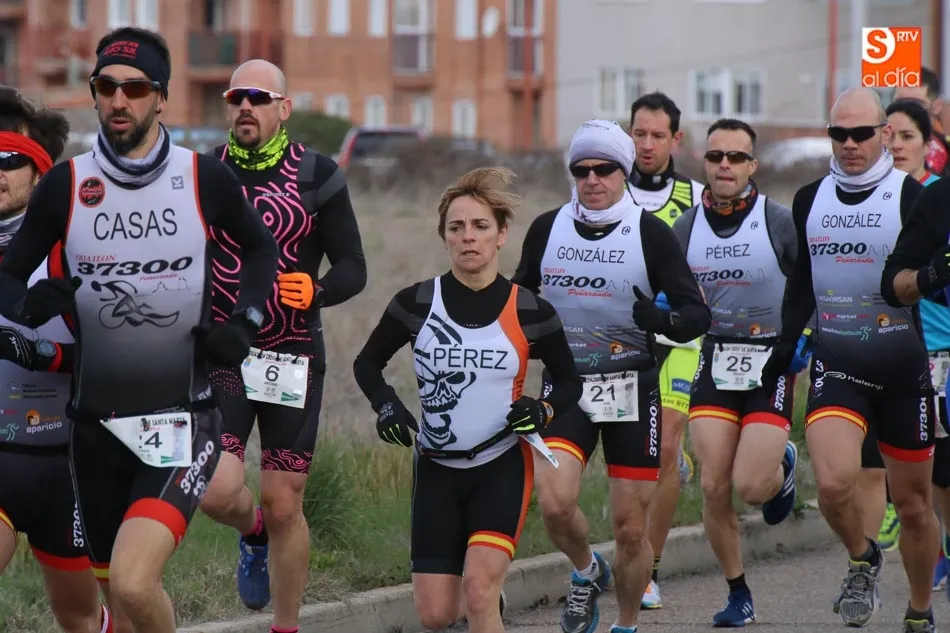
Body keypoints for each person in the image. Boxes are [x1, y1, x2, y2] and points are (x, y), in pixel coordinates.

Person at [0, 27, 279, 633]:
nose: (119, 100)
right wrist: (25, 305)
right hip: (92, 431)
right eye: (106, 87)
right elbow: (9, 276)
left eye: (135, 88)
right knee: (121, 607)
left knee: (133, 580)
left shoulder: (203, 178)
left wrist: (245, 323)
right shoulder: (66, 186)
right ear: (95, 95)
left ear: (162, 98)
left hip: (178, 420)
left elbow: (262, 250)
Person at [352, 166, 581, 633]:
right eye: (456, 228)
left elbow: (569, 381)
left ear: (501, 235)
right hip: (436, 468)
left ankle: (485, 601)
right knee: (436, 615)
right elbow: (366, 363)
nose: (468, 237)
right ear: (444, 238)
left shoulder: (530, 310)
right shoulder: (416, 303)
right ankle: (487, 604)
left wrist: (542, 409)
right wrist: (386, 404)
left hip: (501, 464)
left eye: (480, 226)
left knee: (477, 591)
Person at [512, 120, 711, 633]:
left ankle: (625, 624)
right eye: (581, 170)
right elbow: (516, 301)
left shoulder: (650, 233)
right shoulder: (547, 229)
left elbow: (697, 315)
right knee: (555, 504)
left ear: (623, 172)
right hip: (567, 387)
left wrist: (661, 320)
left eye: (604, 169)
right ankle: (586, 570)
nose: (592, 179)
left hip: (632, 389)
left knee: (629, 527)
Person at [196, 59, 366, 631]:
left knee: (284, 502)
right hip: (224, 353)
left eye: (258, 97)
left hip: (292, 354)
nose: (245, 106)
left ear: (283, 109)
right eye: (236, 97)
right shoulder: (205, 173)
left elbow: (354, 266)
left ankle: (285, 626)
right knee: (216, 489)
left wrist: (318, 290)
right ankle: (253, 533)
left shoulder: (317, 175)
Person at [760, 86, 936, 632]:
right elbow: (802, 282)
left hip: (903, 367)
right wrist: (784, 344)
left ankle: (920, 610)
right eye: (840, 134)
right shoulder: (810, 199)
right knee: (834, 485)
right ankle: (863, 558)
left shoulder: (911, 196)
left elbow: (928, 278)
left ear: (884, 134)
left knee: (913, 507)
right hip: (838, 361)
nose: (851, 143)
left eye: (862, 133)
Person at [0, 88, 130, 633]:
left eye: (9, 160)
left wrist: (44, 353)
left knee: (82, 617)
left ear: (39, 176)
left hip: (68, 464)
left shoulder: (73, 250)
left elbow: (120, 354)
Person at [670, 118, 806, 627]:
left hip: (771, 359)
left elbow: (809, 284)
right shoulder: (686, 227)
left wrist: (803, 338)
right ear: (704, 163)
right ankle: (738, 592)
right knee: (713, 484)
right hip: (717, 357)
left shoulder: (777, 221)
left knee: (751, 486)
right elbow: (672, 295)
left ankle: (781, 468)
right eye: (715, 156)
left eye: (735, 157)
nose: (724, 165)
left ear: (753, 165)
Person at [625, 91, 705, 609]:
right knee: (638, 454)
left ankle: (648, 570)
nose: (647, 145)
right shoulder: (604, 188)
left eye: (658, 135)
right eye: (639, 134)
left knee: (667, 447)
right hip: (626, 336)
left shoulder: (696, 196)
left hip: (679, 337)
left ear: (675, 139)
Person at [883, 97, 950, 602]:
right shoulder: (862, 200)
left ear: (928, 144)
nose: (895, 145)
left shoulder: (931, 193)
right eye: (888, 135)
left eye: (906, 136)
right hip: (901, 347)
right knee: (934, 470)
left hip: (941, 343)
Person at [894, 67, 950, 178]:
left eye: (916, 104)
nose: (905, 110)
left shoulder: (944, 152)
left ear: (937, 107)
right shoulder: (880, 146)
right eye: (899, 103)